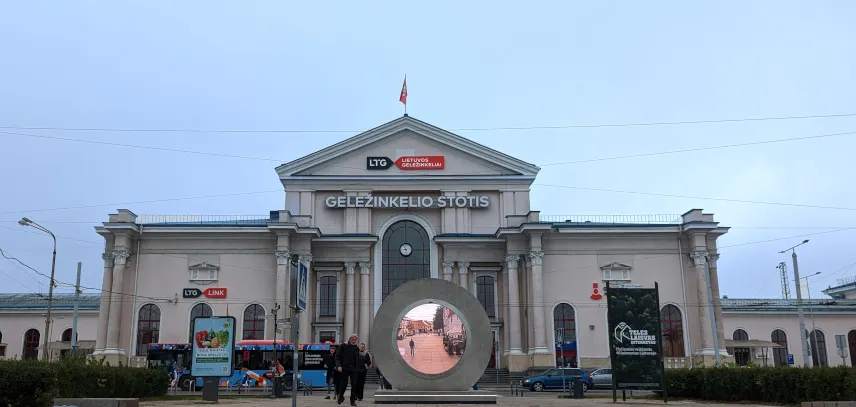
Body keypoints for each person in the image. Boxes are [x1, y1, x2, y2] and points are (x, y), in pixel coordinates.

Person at [334, 333, 361, 406]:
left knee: (354, 385)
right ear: (350, 339)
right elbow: (337, 357)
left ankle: (352, 401)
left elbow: (357, 359)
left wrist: (358, 368)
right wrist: (339, 366)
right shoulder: (343, 345)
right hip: (344, 368)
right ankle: (341, 396)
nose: (354, 340)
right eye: (353, 338)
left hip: (354, 369)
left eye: (355, 339)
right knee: (344, 384)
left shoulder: (356, 347)